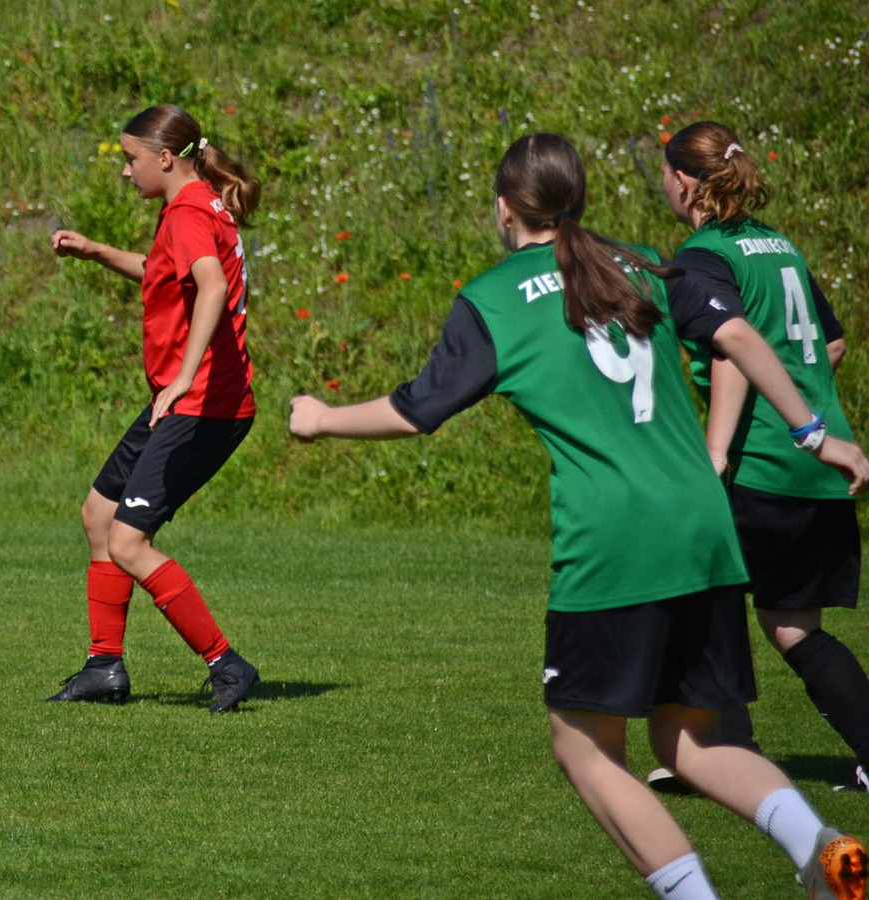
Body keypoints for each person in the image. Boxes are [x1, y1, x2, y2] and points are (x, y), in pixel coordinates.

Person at [288, 134, 868, 899]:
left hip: (617, 541)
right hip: (703, 526)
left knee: (585, 749)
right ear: (579, 198)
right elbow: (735, 334)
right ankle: (821, 848)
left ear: (505, 208)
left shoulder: (496, 298)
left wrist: (321, 418)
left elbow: (415, 410)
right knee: (690, 739)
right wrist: (814, 434)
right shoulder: (640, 263)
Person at [650, 121, 869, 795]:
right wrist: (805, 408)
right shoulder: (779, 246)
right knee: (793, 626)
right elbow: (831, 344)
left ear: (682, 180)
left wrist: (717, 452)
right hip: (820, 464)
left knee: (697, 591)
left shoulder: (703, 256)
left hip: (767, 461)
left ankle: (721, 753)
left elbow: (732, 346)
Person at [46, 104, 259, 713]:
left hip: (202, 405)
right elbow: (163, 273)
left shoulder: (189, 212)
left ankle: (226, 664)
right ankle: (104, 667)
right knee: (98, 515)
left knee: (129, 542)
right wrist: (96, 251)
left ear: (165, 158)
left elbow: (212, 285)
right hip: (184, 399)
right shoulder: (196, 204)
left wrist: (184, 377)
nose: (124, 171)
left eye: (129, 159)